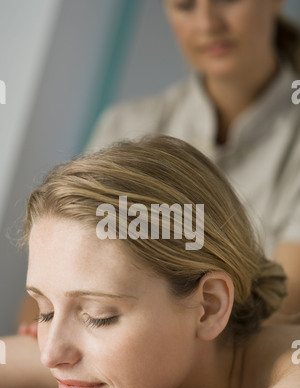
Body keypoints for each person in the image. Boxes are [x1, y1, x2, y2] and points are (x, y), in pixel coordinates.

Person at [0, 135, 300, 388]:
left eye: (99, 317)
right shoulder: (98, 361)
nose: (51, 354)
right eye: (45, 311)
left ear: (209, 306)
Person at [17, 0, 300, 330]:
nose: (207, 23)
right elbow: (43, 302)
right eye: (185, 6)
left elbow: (280, 307)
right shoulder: (124, 124)